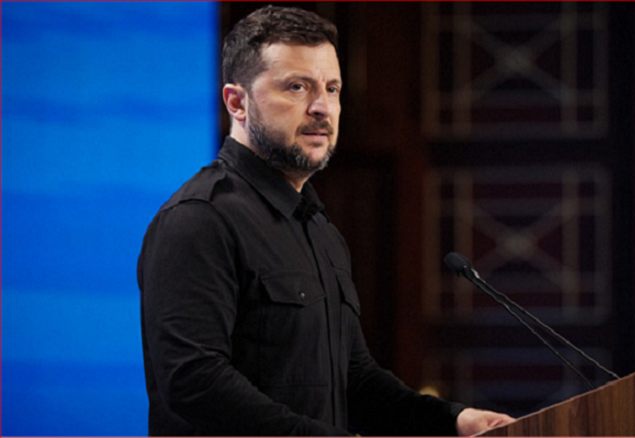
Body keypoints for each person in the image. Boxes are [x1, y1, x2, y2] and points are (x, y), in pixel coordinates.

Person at [138, 5, 514, 436]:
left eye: (332, 89)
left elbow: (354, 380)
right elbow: (195, 383)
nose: (322, 107)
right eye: (297, 87)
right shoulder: (199, 220)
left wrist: (454, 420)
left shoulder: (319, 229)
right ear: (237, 102)